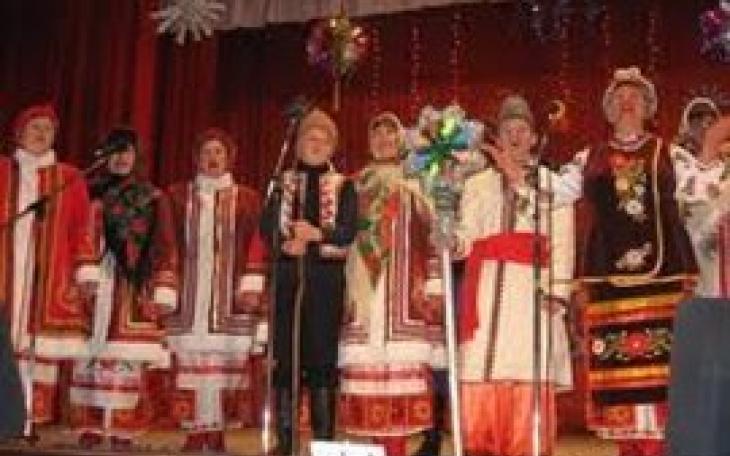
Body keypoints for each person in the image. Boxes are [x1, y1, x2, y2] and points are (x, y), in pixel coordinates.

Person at [487, 67, 699, 456]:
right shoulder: (590, 158)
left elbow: (702, 189)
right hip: (609, 282)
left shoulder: (672, 154)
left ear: (649, 107)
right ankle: (629, 448)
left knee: (663, 372)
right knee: (619, 374)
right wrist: (518, 172)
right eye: (619, 97)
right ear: (608, 109)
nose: (627, 102)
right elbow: (555, 190)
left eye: (634, 96)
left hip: (663, 280)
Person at [456, 95, 574, 456]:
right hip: (486, 288)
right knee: (482, 368)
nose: (515, 136)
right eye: (508, 130)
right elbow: (466, 237)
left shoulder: (552, 184)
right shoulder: (476, 185)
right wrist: (450, 238)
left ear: (534, 138)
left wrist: (558, 291)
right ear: (497, 138)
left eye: (522, 130)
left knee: (527, 370)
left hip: (531, 292)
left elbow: (562, 239)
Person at [338, 112, 445, 456]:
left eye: (390, 134)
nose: (383, 140)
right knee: (368, 373)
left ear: (401, 140)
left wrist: (434, 283)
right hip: (364, 291)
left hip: (404, 292)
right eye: (377, 134)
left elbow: (434, 238)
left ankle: (395, 449)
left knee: (400, 374)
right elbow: (339, 237)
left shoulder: (419, 184)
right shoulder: (353, 185)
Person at [68, 127, 179, 448]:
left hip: (131, 282)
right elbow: (72, 233)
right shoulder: (86, 191)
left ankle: (121, 426)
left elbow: (165, 244)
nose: (120, 158)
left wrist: (164, 285)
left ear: (136, 156)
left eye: (126, 151)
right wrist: (80, 270)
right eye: (114, 151)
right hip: (91, 277)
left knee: (124, 354)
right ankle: (90, 424)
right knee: (90, 352)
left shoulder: (151, 197)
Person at [260, 108, 358, 455]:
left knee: (321, 361)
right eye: (309, 138)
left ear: (332, 147)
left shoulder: (344, 185)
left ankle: (323, 443)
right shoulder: (281, 183)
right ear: (298, 144)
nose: (316, 144)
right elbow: (266, 228)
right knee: (286, 360)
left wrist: (316, 235)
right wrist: (286, 242)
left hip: (325, 284)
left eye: (323, 140)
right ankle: (285, 441)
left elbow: (348, 231)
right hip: (288, 279)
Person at [165, 128, 266, 452]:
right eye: (207, 152)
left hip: (230, 295)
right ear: (196, 157)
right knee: (192, 359)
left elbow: (258, 243)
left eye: (219, 152)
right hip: (191, 293)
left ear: (229, 158)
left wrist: (252, 281)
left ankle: (217, 430)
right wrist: (166, 284)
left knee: (224, 364)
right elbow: (167, 240)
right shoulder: (177, 196)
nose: (212, 158)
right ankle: (196, 430)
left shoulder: (248, 199)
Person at [0, 103, 98, 428]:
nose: (42, 134)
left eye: (48, 130)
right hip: (6, 268)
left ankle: (28, 417)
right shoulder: (2, 170)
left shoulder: (68, 177)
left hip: (49, 271)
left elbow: (82, 226)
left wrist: (85, 269)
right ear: (19, 134)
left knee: (37, 344)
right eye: (35, 128)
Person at [668, 115, 730, 456]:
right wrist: (709, 148)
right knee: (707, 412)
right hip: (710, 304)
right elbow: (694, 214)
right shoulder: (692, 177)